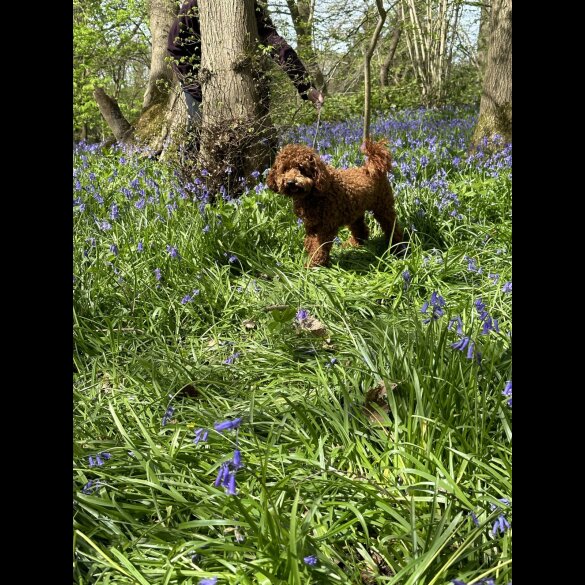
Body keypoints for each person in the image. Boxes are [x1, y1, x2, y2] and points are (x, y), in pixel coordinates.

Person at [167, 0, 324, 128]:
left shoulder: (250, 10)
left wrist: (306, 87)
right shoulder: (194, 6)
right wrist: (197, 88)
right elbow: (175, 46)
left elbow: (278, 46)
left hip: (239, 82)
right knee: (198, 125)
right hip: (199, 79)